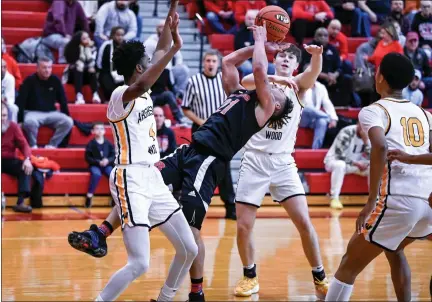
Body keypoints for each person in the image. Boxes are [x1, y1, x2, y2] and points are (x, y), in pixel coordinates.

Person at [69, 22, 293, 302]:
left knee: (192, 232)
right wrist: (261, 47)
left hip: (209, 161)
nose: (275, 91)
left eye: (280, 96)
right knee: (147, 181)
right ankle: (100, 233)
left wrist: (261, 42)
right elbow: (229, 61)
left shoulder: (265, 108)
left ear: (276, 108)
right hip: (185, 153)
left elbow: (260, 71)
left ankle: (195, 292)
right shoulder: (239, 93)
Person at [69, 3, 199, 301]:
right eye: (147, 61)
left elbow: (162, 45)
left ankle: (164, 298)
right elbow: (145, 78)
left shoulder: (144, 88)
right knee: (140, 262)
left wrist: (173, 8)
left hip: (152, 177)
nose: (152, 61)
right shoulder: (120, 95)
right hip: (129, 177)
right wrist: (174, 50)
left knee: (189, 248)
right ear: (139, 68)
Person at [325, 53, 432, 302]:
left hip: (398, 199)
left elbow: (380, 147)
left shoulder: (374, 111)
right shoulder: (426, 115)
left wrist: (372, 200)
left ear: (380, 77)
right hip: (427, 203)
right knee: (393, 249)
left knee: (349, 262)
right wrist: (413, 159)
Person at [233, 42, 330, 299]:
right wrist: (271, 77)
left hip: (283, 163)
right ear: (275, 60)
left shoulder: (299, 85)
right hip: (254, 159)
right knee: (243, 225)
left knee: (304, 222)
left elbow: (312, 74)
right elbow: (245, 80)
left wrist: (317, 57)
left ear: (296, 65)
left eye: (290, 57)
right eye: (282, 56)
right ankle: (249, 276)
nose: (286, 59)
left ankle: (319, 275)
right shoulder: (263, 81)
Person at [181, 48, 237, 220]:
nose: (211, 64)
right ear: (203, 63)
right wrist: (202, 122)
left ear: (218, 63)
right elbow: (185, 108)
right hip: (200, 130)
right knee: (197, 166)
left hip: (221, 131)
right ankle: (192, 204)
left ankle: (230, 205)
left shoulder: (224, 80)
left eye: (214, 61)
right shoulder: (194, 81)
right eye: (208, 61)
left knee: (223, 168)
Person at [16, 57, 73, 149]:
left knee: (68, 121)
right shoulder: (29, 81)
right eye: (44, 67)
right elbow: (21, 101)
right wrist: (20, 120)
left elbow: (63, 100)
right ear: (37, 68)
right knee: (29, 122)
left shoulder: (55, 80)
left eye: (49, 67)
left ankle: (52, 145)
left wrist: (67, 115)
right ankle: (33, 145)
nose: (47, 70)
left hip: (51, 112)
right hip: (32, 112)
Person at [324, 122, 370, 209]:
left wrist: (366, 142)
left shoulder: (370, 135)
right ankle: (334, 198)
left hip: (354, 165)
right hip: (333, 161)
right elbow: (339, 154)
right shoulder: (347, 132)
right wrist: (356, 163)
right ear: (358, 124)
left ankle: (374, 200)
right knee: (340, 165)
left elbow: (372, 156)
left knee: (374, 168)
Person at [144, 20, 190, 98]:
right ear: (156, 29)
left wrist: (177, 65)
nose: (162, 29)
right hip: (155, 71)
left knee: (184, 69)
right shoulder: (149, 42)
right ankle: (172, 92)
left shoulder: (171, 41)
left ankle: (180, 93)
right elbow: (146, 62)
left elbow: (179, 57)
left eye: (164, 27)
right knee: (165, 71)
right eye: (160, 27)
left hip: (170, 70)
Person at [1, 102, 33, 213]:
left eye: (4, 115)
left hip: (9, 160)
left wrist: (27, 159)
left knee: (25, 168)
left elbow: (24, 144)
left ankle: (21, 202)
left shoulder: (13, 127)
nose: (2, 119)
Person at [64, 31, 101, 104]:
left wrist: (90, 49)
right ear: (78, 40)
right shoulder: (72, 48)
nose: (87, 40)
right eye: (84, 38)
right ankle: (79, 95)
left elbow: (95, 62)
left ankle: (95, 94)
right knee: (78, 68)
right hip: (74, 76)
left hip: (87, 76)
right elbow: (71, 64)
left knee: (92, 69)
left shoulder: (93, 48)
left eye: (88, 37)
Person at [300, 80, 338, 149]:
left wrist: (334, 118)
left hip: (315, 118)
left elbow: (327, 103)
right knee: (308, 108)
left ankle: (315, 150)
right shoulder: (300, 84)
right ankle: (327, 118)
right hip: (301, 118)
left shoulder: (321, 87)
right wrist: (330, 118)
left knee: (322, 122)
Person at [84, 122, 115, 208]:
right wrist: (98, 162)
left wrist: (108, 160)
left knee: (112, 175)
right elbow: (87, 158)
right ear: (93, 131)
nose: (99, 131)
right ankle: (89, 196)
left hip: (107, 165)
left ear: (104, 131)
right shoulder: (91, 144)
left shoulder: (108, 143)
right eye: (97, 128)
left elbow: (113, 155)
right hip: (95, 165)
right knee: (96, 174)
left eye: (101, 128)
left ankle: (114, 197)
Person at [97, 26, 125, 101]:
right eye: (118, 35)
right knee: (108, 84)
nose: (120, 37)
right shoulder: (107, 45)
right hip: (107, 72)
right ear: (113, 35)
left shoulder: (126, 46)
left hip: (122, 74)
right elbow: (99, 63)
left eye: (122, 35)